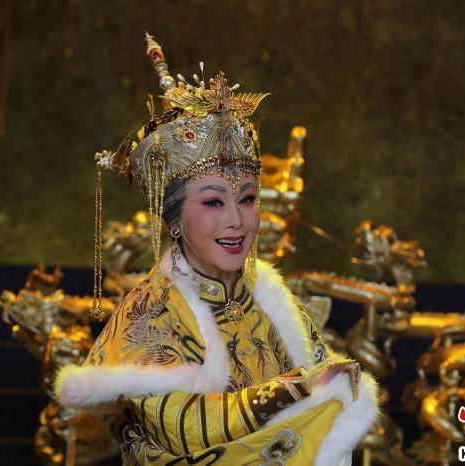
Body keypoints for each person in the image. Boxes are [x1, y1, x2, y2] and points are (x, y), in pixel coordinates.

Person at [55, 34, 377, 466]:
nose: (236, 221)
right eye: (213, 203)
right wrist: (290, 389)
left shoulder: (272, 302)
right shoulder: (150, 315)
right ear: (173, 220)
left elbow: (325, 384)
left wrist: (329, 385)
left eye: (247, 199)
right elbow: (180, 426)